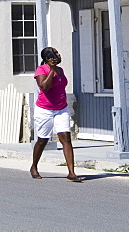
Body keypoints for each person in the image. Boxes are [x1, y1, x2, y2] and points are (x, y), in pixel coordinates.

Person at [30, 46, 83, 182]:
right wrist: (51, 70)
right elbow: (45, 87)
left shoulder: (61, 70)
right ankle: (34, 166)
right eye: (56, 53)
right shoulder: (41, 70)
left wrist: (56, 70)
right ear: (48, 58)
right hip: (44, 109)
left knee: (66, 137)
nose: (59, 55)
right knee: (43, 140)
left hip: (61, 108)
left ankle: (71, 173)